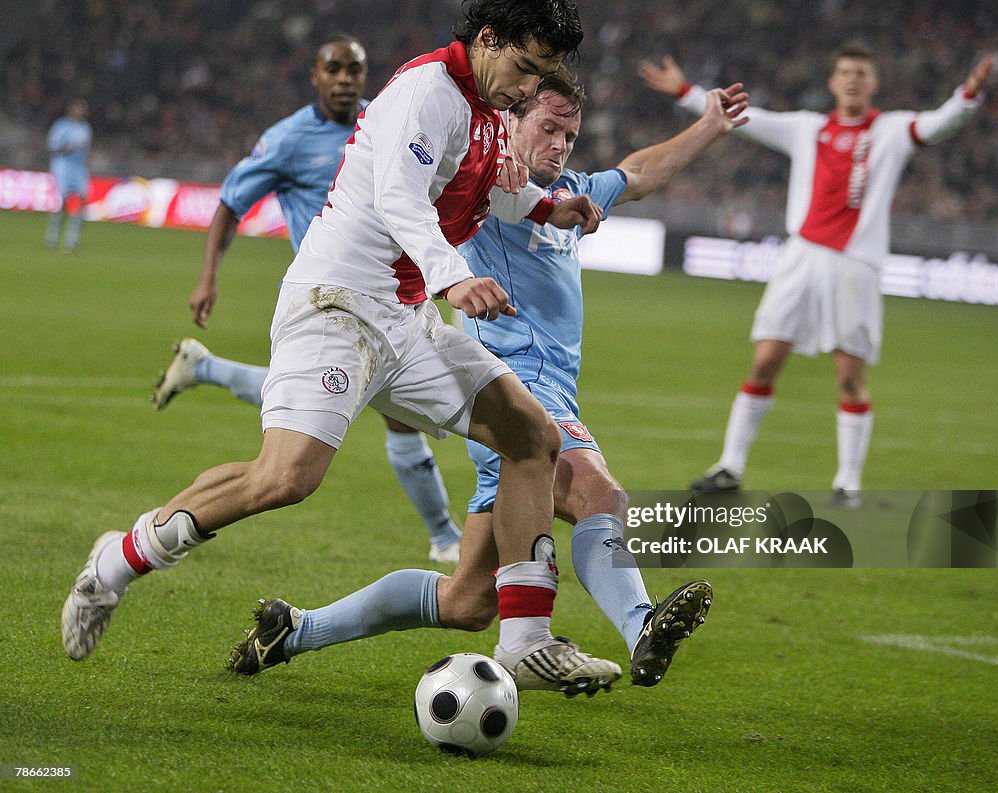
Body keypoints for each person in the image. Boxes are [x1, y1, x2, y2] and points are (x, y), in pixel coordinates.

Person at [62, 0, 624, 697]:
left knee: (530, 434)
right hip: (337, 306)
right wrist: (455, 276)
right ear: (487, 39)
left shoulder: (482, 109)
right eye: (524, 67)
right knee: (286, 478)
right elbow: (399, 196)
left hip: (405, 318)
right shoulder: (430, 93)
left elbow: (482, 191)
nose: (528, 87)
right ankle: (117, 560)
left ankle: (527, 642)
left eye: (541, 74)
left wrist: (546, 207)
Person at [226, 68, 748, 690]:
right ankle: (642, 629)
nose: (558, 144)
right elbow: (419, 179)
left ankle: (295, 629)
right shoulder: (480, 187)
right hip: (506, 393)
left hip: (538, 396)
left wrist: (710, 126)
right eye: (547, 129)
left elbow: (638, 173)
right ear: (511, 119)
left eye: (570, 135)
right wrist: (493, 156)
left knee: (466, 602)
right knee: (599, 495)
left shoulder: (574, 195)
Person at [149, 35, 463, 563]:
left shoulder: (389, 120)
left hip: (390, 300)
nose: (345, 80)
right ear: (315, 76)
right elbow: (229, 203)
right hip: (328, 302)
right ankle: (445, 538)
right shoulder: (290, 139)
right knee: (336, 430)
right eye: (333, 69)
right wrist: (208, 279)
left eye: (355, 70)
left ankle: (202, 369)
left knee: (333, 407)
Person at [640, 44, 993, 507]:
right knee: (765, 360)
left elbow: (941, 122)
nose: (851, 79)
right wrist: (686, 91)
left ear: (873, 83)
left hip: (855, 266)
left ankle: (848, 481)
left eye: (860, 73)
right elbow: (748, 119)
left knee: (849, 375)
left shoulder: (891, 131)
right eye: (844, 71)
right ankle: (730, 466)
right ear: (832, 81)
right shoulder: (807, 128)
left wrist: (967, 95)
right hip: (801, 258)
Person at [44, 98, 92, 253]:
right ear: (71, 109)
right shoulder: (62, 126)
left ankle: (72, 240)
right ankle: (52, 238)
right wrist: (67, 148)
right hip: (63, 165)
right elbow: (52, 146)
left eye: (82, 109)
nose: (80, 111)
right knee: (62, 202)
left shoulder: (86, 128)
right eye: (78, 108)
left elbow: (86, 149)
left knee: (82, 200)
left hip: (79, 167)